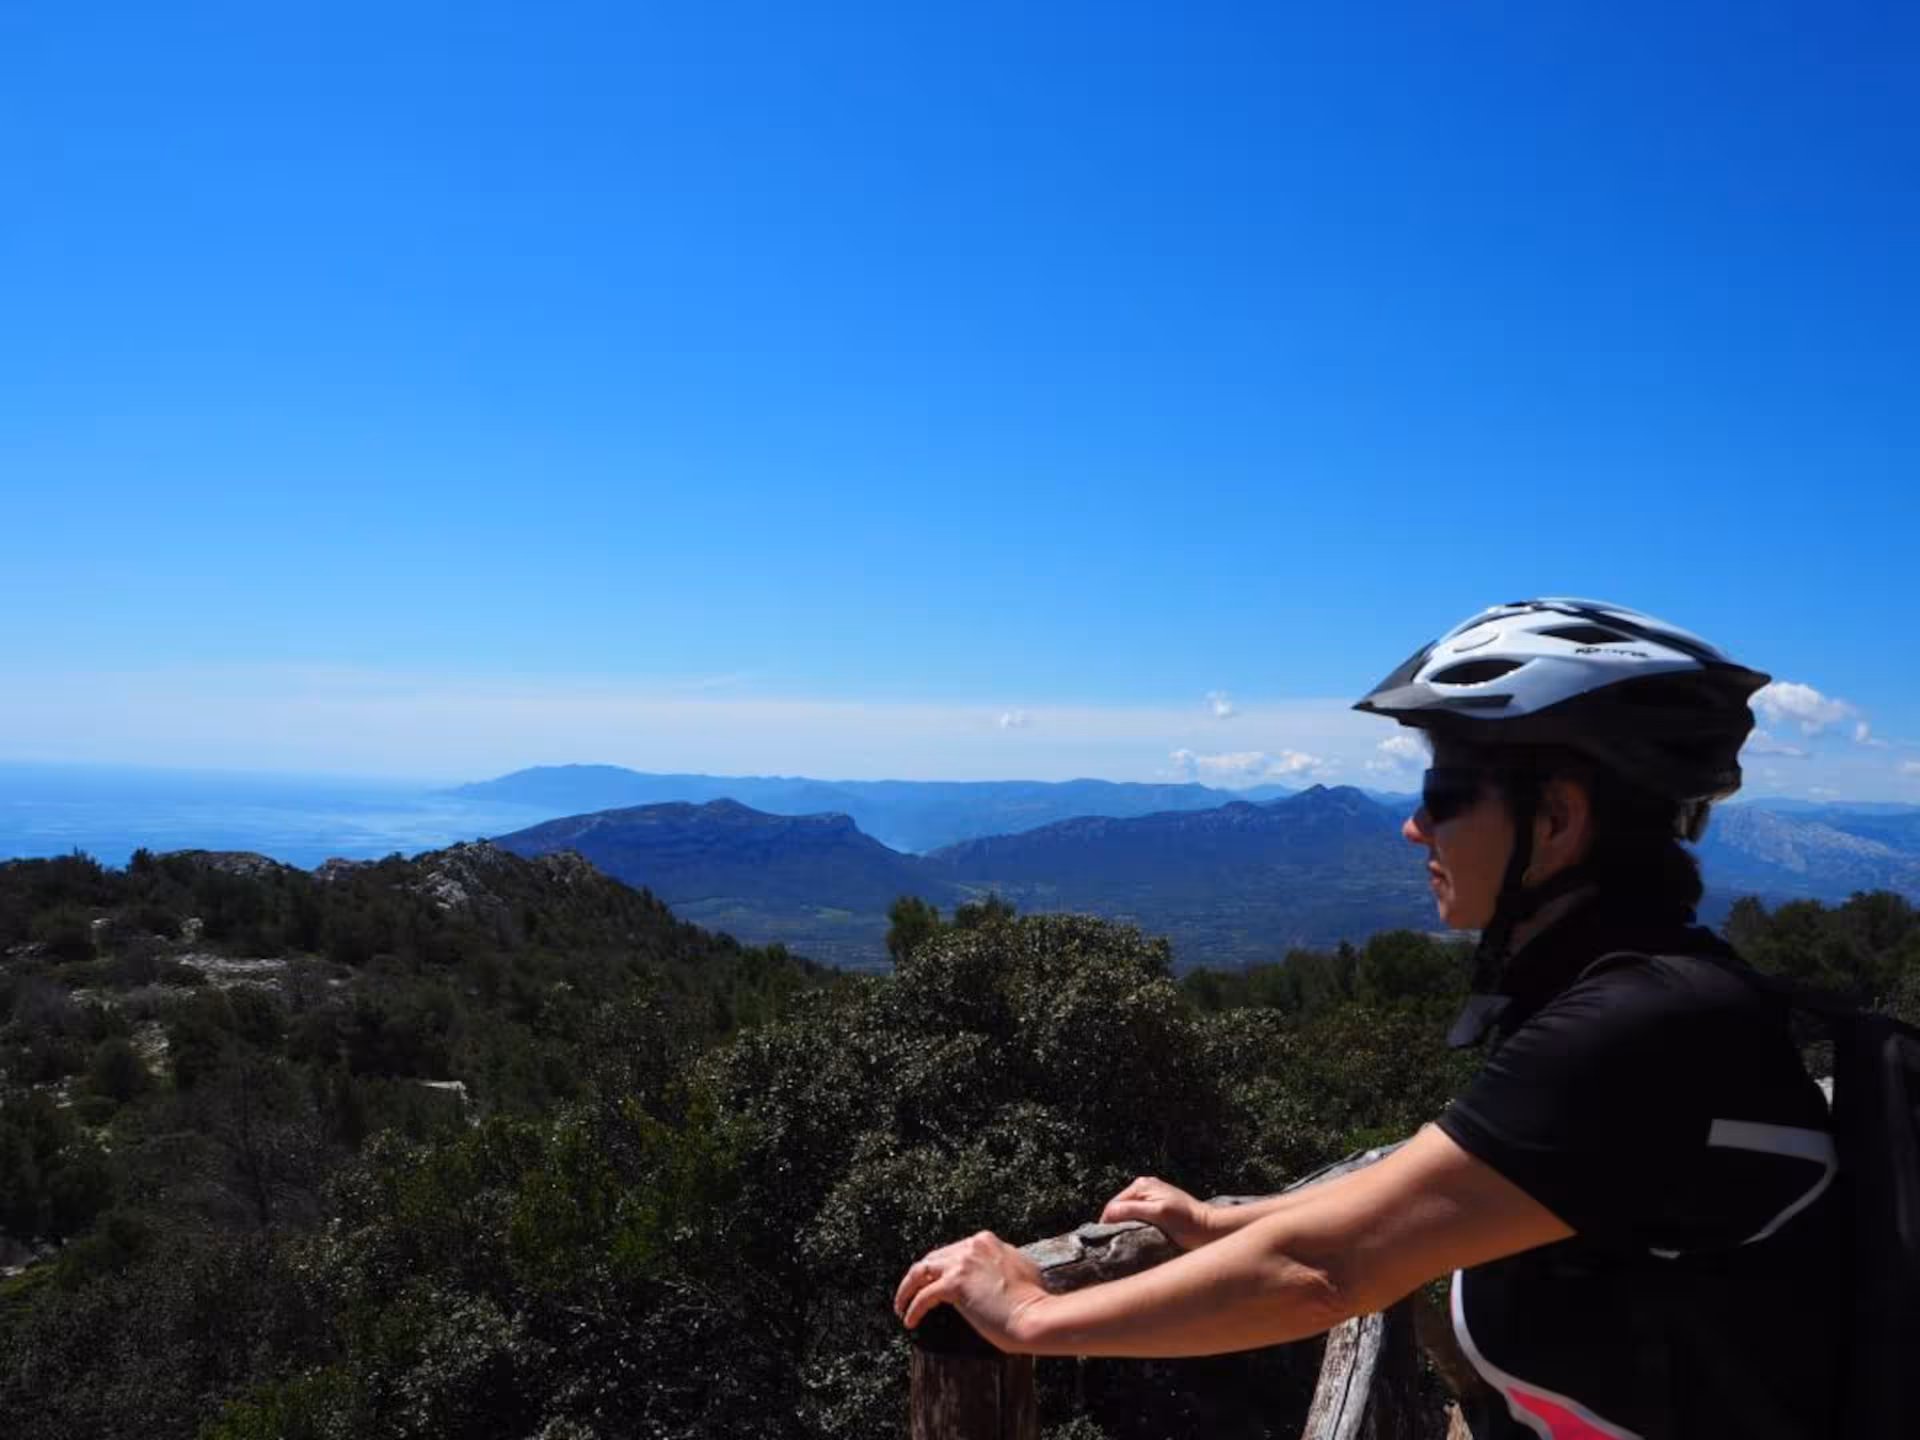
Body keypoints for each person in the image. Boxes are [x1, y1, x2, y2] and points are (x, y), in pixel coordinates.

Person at [894, 598, 1839, 1440]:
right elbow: (1435, 1172)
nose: (1413, 828)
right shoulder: (1645, 1000)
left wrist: (1029, 1320)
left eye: (1441, 794)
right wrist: (1221, 1220)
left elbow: (1329, 1273)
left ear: (1553, 820)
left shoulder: (1643, 1028)